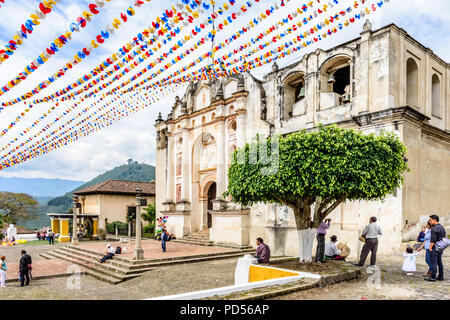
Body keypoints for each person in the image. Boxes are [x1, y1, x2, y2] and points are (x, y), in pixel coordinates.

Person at [425, 215, 446, 282]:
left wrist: (430, 247)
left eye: (430, 220)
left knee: (434, 262)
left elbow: (433, 240)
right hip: (440, 247)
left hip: (435, 247)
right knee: (439, 262)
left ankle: (433, 276)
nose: (429, 221)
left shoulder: (434, 229)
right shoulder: (442, 227)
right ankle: (441, 276)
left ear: (435, 220)